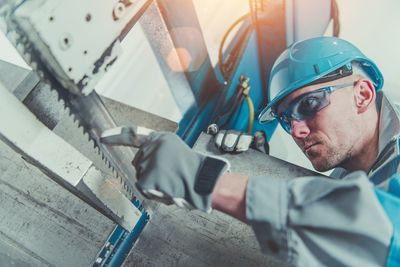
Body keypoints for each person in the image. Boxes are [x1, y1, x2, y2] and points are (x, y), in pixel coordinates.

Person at [131, 37, 400, 266]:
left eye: (309, 104)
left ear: (362, 95)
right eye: (286, 120)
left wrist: (207, 180)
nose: (296, 131)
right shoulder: (350, 176)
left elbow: (384, 229)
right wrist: (255, 165)